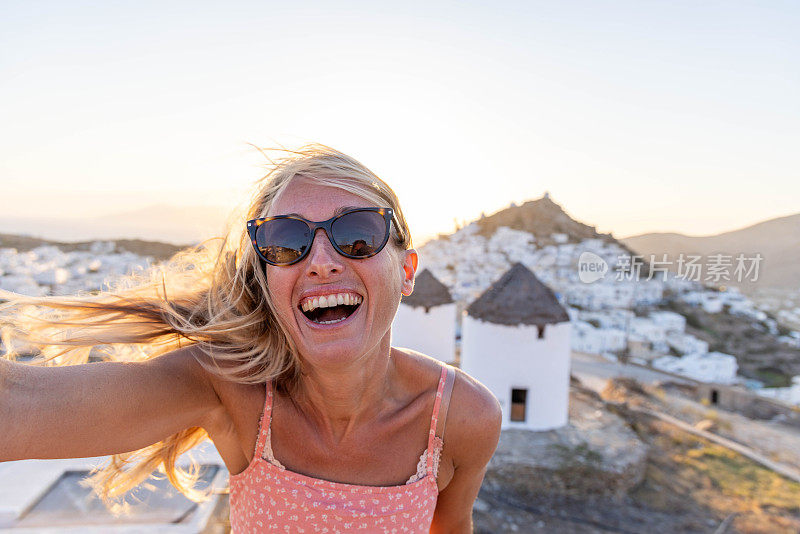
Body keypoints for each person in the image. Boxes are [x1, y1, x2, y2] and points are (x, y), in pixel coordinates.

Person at [0, 144, 502, 532]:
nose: (322, 261)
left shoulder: (462, 418)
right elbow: (17, 408)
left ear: (407, 270)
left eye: (357, 233)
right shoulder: (232, 390)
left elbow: (450, 527)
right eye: (286, 241)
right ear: (266, 278)